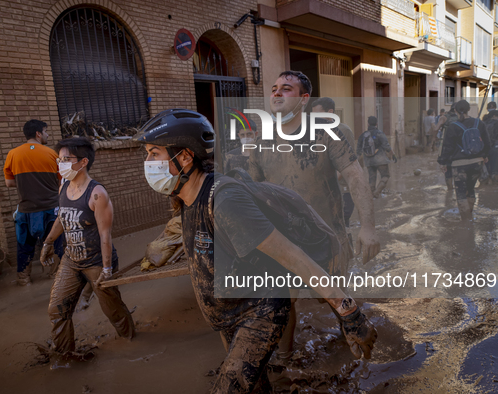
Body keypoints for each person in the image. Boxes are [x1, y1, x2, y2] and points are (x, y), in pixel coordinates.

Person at [135, 109, 377, 393]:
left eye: (154, 153)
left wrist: (349, 313)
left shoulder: (224, 200)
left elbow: (293, 257)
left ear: (185, 157)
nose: (148, 162)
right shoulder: (186, 197)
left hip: (259, 313)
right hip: (228, 317)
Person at [249, 71, 380, 358]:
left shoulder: (327, 132)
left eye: (286, 88)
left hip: (325, 238)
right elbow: (252, 191)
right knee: (281, 303)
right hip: (282, 241)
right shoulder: (260, 140)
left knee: (336, 299)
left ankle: (361, 354)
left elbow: (355, 177)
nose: (277, 93)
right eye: (274, 89)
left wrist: (367, 227)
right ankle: (283, 362)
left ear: (304, 99)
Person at [40, 137, 135, 355]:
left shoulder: (97, 194)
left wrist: (107, 269)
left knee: (113, 311)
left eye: (66, 159)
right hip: (70, 261)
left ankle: (131, 339)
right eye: (59, 159)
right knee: (56, 310)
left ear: (83, 162)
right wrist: (48, 242)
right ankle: (64, 356)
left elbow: (105, 235)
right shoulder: (63, 186)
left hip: (96, 263)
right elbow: (62, 218)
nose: (61, 164)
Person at [4, 119, 64, 286]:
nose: (47, 134)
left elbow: (9, 183)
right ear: (38, 134)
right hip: (51, 209)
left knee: (25, 244)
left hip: (26, 210)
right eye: (46, 131)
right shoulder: (52, 154)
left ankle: (24, 279)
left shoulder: (13, 154)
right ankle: (55, 275)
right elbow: (61, 182)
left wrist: (27, 182)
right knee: (53, 242)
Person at [438, 100, 491, 220]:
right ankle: (470, 217)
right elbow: (487, 143)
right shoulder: (480, 123)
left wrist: (443, 162)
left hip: (459, 164)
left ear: (455, 110)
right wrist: (485, 155)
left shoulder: (453, 127)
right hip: (477, 163)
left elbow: (447, 147)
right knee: (470, 189)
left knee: (461, 193)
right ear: (468, 110)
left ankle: (466, 222)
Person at [311, 97, 355, 241]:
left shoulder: (343, 130)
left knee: (342, 226)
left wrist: (327, 184)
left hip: (342, 190)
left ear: (330, 113)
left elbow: (345, 165)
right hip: (325, 191)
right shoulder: (317, 132)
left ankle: (348, 259)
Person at [356, 116, 397, 198]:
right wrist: (393, 154)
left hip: (368, 161)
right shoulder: (379, 133)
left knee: (371, 180)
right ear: (377, 124)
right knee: (385, 176)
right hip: (380, 160)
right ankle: (377, 192)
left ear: (368, 124)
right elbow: (386, 146)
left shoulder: (363, 135)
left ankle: (371, 198)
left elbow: (358, 151)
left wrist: (356, 163)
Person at [434, 104, 458, 190]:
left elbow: (436, 129)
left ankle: (450, 190)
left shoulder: (444, 117)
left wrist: (435, 138)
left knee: (447, 167)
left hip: (447, 146)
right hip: (460, 147)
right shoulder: (464, 118)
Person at [484, 109, 498, 184]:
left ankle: (487, 185)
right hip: (495, 148)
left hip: (485, 149)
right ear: (494, 116)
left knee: (487, 167)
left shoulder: (483, 123)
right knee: (497, 168)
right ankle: (496, 187)